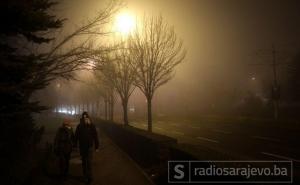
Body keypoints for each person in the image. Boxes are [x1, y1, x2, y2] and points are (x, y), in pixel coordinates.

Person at [74, 112, 99, 184]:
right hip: (82, 147)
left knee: (89, 162)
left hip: (89, 147)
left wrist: (97, 146)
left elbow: (95, 136)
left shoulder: (92, 126)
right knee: (84, 163)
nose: (85, 119)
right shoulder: (79, 126)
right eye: (84, 117)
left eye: (86, 117)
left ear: (88, 118)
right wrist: (75, 145)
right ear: (82, 118)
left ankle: (90, 177)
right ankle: (85, 176)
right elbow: (76, 136)